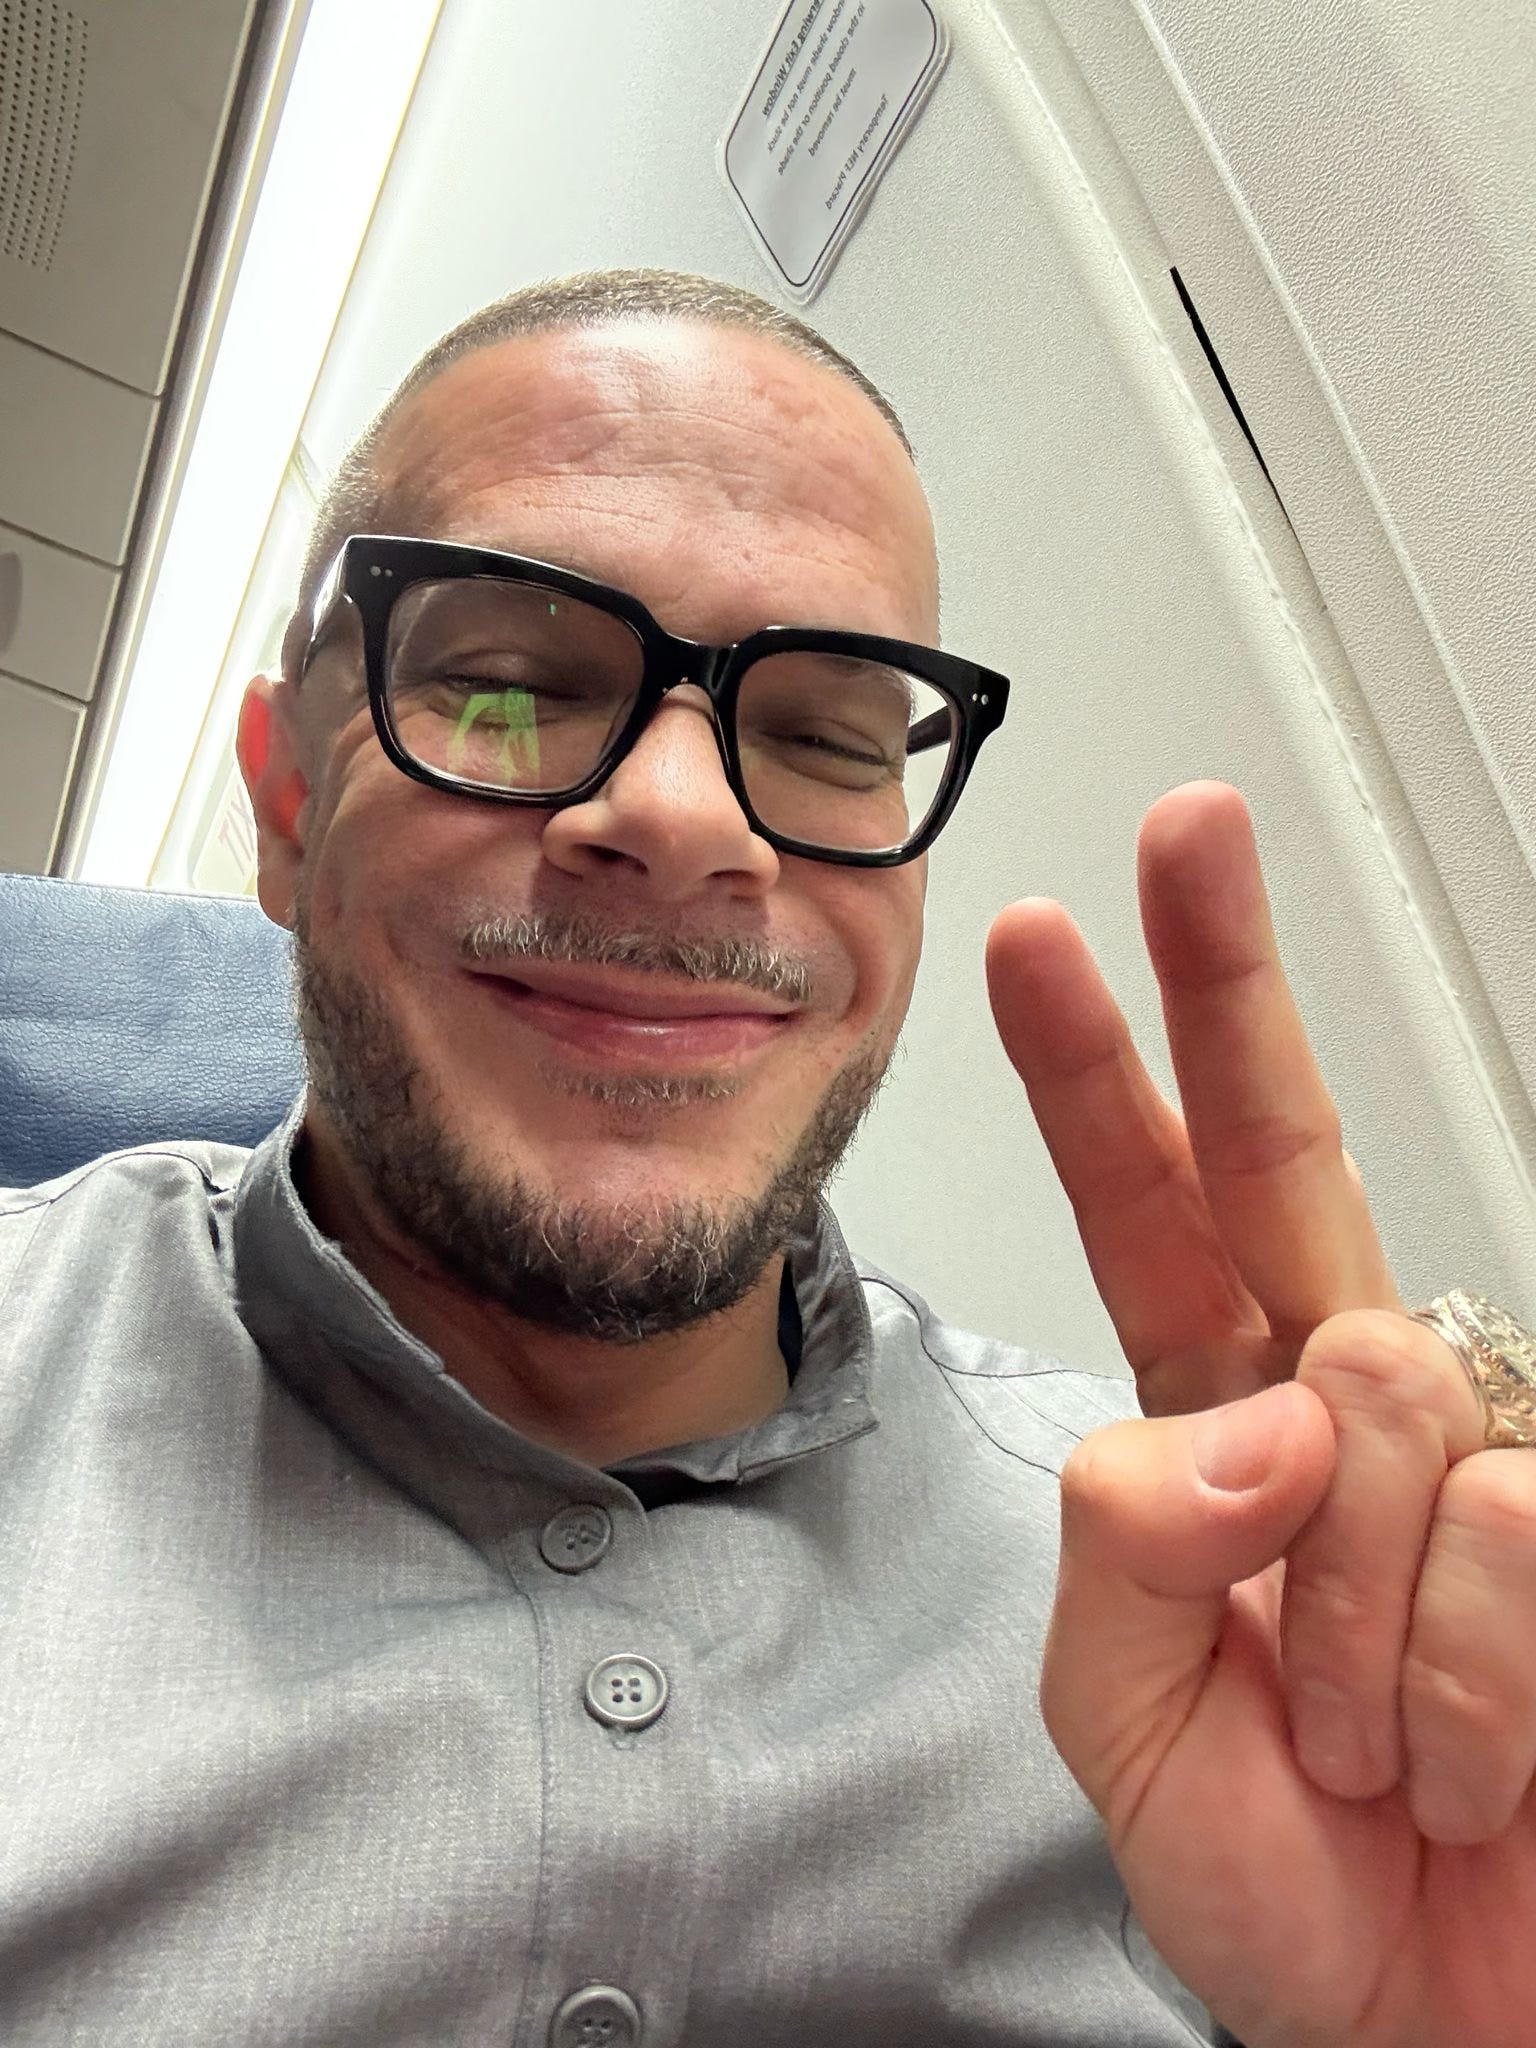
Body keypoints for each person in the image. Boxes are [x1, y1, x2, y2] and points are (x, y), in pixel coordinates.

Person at [3, 269, 1533, 2048]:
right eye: (508, 686)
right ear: (286, 803)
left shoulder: (1228, 1600)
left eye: (820, 735)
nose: (682, 818)